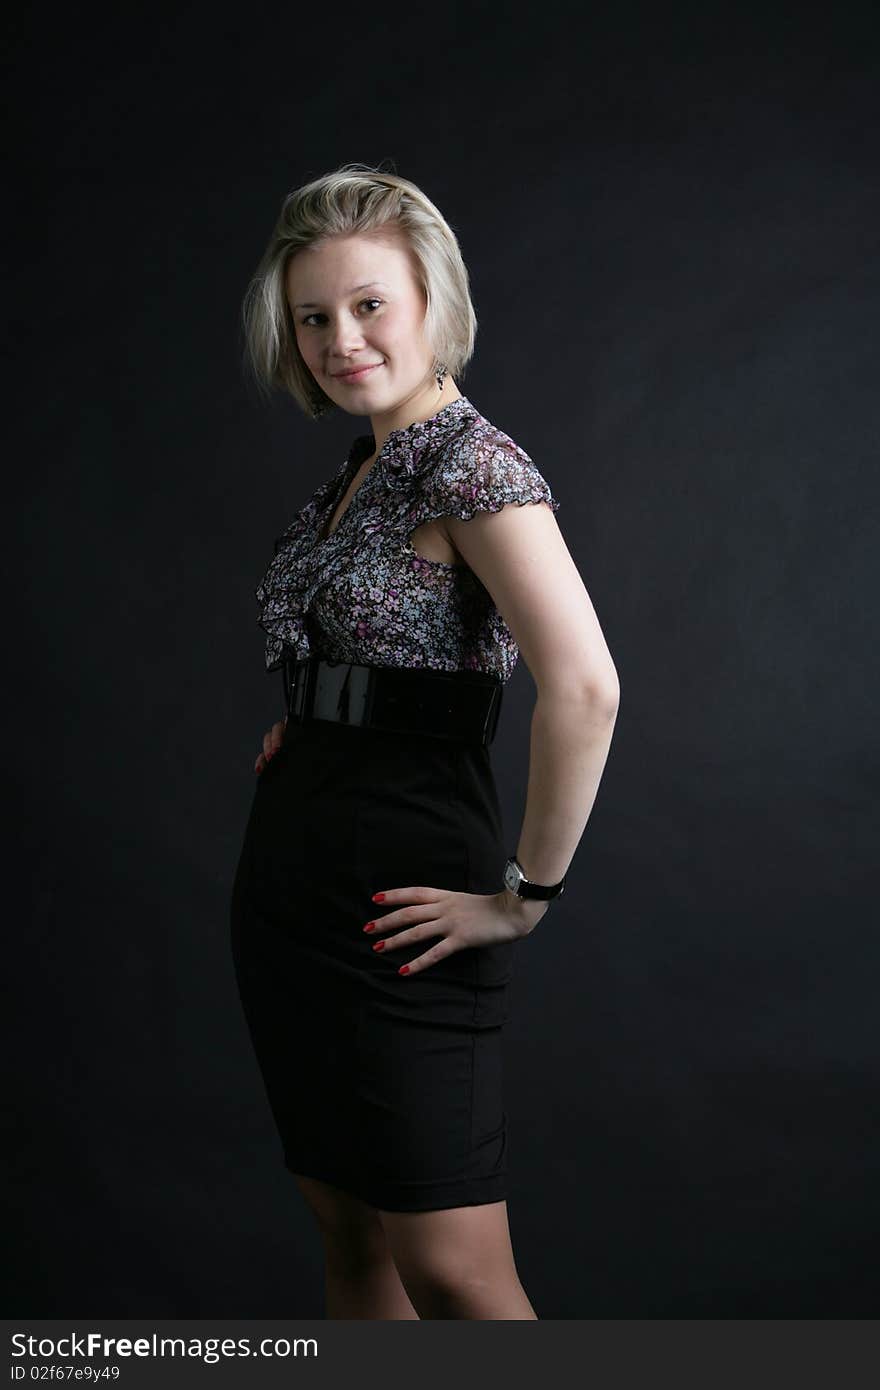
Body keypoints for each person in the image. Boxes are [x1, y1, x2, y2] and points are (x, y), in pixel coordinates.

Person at [231, 162, 620, 1320]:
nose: (340, 340)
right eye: (313, 318)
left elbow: (585, 688)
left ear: (430, 302)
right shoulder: (359, 469)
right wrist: (312, 724)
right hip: (294, 890)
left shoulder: (473, 464)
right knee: (351, 1242)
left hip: (405, 893)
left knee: (452, 1268)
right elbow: (373, 649)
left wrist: (524, 894)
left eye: (368, 305)